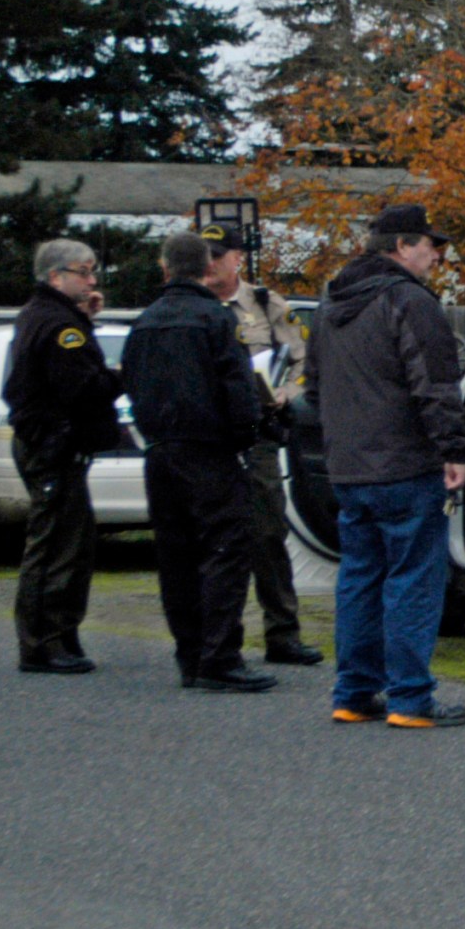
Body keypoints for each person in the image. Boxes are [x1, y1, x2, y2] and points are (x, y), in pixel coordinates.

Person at [309, 205, 465, 729]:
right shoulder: (409, 301)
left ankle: (354, 692)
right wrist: (454, 449)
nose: (435, 255)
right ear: (403, 245)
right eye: (430, 244)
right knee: (413, 580)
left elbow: (314, 388)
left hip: (349, 466)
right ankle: (410, 697)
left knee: (359, 579)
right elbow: (435, 385)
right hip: (404, 463)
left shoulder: (330, 304)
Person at [120, 232, 278, 695]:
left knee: (176, 556)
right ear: (207, 269)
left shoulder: (144, 322)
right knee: (225, 551)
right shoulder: (214, 318)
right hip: (210, 451)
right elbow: (238, 388)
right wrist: (247, 439)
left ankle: (189, 654)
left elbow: (131, 382)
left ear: (164, 269)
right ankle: (220, 656)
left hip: (160, 452)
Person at [199, 221, 324, 667]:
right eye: (204, 255)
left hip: (255, 437)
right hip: (207, 439)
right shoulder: (190, 304)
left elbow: (304, 362)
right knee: (209, 539)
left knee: (268, 534)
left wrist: (283, 396)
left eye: (218, 255)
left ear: (237, 259)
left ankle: (282, 633)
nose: (210, 263)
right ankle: (213, 637)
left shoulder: (267, 304)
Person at [2, 240, 122, 675]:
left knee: (75, 541)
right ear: (55, 276)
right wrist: (118, 379)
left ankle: (61, 632)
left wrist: (85, 319)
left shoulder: (56, 317)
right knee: (53, 544)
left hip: (58, 443)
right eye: (84, 272)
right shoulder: (56, 324)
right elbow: (81, 387)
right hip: (53, 443)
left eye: (93, 272)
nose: (92, 281)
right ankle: (40, 642)